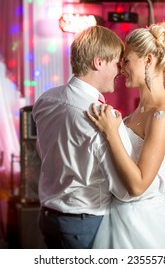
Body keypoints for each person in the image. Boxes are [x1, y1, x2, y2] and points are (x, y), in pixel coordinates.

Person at [86, 22, 165, 248]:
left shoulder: (162, 116)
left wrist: (111, 133)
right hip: (116, 216)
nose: (121, 67)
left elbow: (137, 186)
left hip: (144, 226)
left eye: (126, 60)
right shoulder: (139, 112)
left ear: (148, 60)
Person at [32, 25, 130, 249]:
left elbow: (44, 153)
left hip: (48, 218)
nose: (119, 71)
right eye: (116, 63)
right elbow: (120, 186)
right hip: (84, 223)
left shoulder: (45, 100)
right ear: (98, 62)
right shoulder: (102, 116)